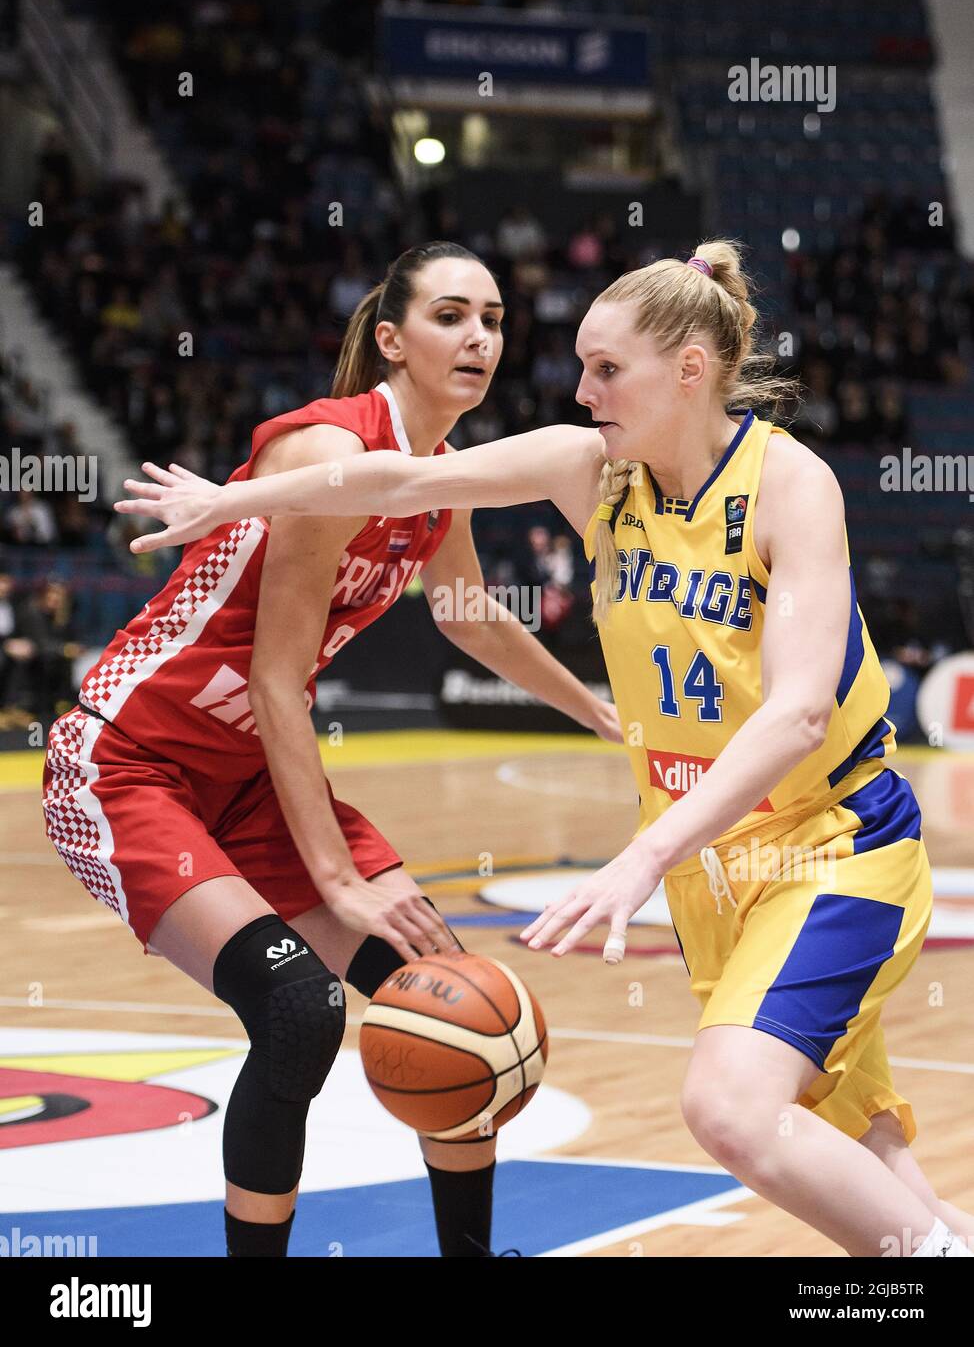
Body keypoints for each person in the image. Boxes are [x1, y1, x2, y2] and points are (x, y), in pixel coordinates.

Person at [120, 240, 974, 1260]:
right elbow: (399, 481)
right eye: (577, 365)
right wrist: (234, 500)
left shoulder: (789, 484)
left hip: (829, 849)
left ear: (688, 371)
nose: (579, 389)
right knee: (867, 1163)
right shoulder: (591, 468)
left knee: (733, 1113)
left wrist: (642, 856)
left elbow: (795, 713)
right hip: (716, 870)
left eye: (604, 369)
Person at [44, 241, 619, 1259]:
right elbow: (275, 680)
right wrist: (337, 885)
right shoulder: (324, 455)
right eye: (451, 315)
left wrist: (600, 712)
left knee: (454, 998)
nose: (479, 337)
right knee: (298, 1006)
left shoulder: (437, 476)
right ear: (391, 339)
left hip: (246, 779)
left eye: (491, 318)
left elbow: (469, 615)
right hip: (129, 762)